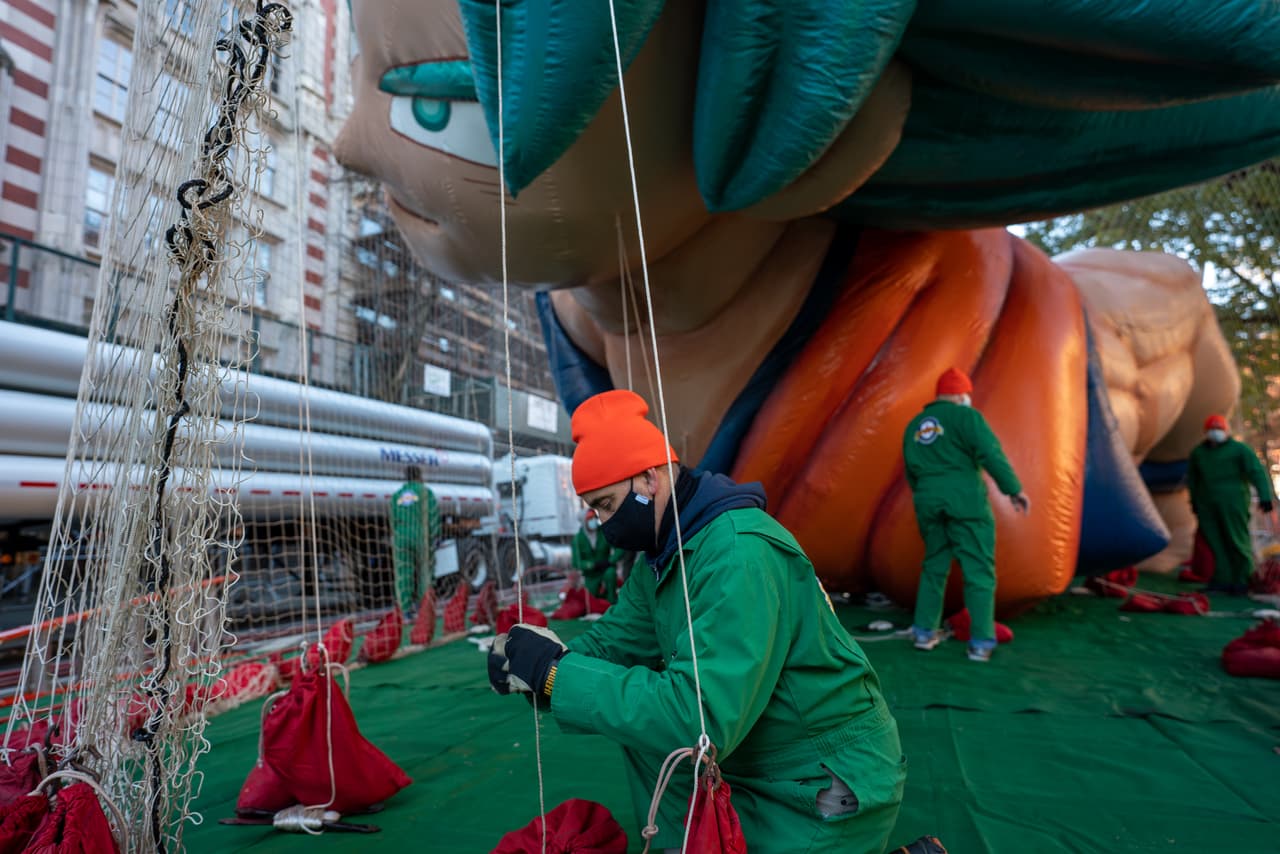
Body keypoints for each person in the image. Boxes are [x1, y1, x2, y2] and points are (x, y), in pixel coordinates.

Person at [488, 390, 906, 853]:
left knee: (662, 717)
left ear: (649, 479)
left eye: (606, 504)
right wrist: (542, 661)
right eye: (594, 509)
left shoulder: (737, 552)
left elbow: (698, 719)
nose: (603, 523)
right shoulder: (665, 552)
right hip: (758, 757)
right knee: (640, 720)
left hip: (820, 771)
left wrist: (556, 675)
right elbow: (618, 640)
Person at [902, 368, 1030, 662]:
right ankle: (981, 642)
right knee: (978, 569)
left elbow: (911, 471)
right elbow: (990, 452)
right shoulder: (967, 417)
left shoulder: (915, 425)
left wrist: (927, 496)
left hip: (927, 500)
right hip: (965, 501)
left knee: (934, 564)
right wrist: (1013, 489)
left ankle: (924, 633)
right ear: (961, 394)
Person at [1187, 414, 1274, 596]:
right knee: (1214, 542)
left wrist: (1265, 497)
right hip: (1206, 505)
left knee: (1236, 539)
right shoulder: (1199, 453)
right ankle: (1222, 580)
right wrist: (1194, 502)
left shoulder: (1240, 450)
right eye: (1212, 429)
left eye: (1219, 429)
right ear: (1206, 431)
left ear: (1226, 430)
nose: (1215, 433)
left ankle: (1242, 580)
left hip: (1233, 502)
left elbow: (1256, 472)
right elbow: (1193, 480)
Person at [389, 465, 440, 612]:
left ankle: (404, 609)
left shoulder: (396, 495)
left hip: (401, 537)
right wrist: (435, 535)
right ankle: (424, 608)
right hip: (420, 536)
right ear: (419, 476)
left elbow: (392, 520)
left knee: (404, 572)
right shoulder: (425, 493)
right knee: (425, 572)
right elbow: (433, 516)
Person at [571, 509, 622, 604]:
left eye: (595, 517)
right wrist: (592, 565)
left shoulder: (604, 532)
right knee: (592, 600)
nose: (593, 520)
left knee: (610, 573)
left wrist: (611, 561)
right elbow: (576, 562)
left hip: (606, 569)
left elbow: (619, 548)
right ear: (583, 521)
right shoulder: (577, 539)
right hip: (591, 575)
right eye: (590, 518)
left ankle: (612, 600)